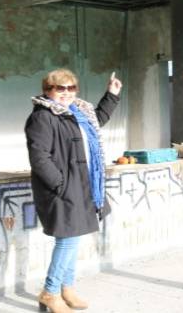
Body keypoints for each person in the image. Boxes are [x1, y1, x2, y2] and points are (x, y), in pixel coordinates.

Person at [26, 68, 123, 313]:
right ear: (47, 91)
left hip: (83, 184)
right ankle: (50, 292)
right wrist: (60, 184)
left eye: (71, 88)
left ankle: (66, 289)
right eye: (60, 88)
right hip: (62, 188)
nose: (66, 93)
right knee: (67, 239)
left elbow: (97, 120)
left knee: (74, 236)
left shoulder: (77, 112)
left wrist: (111, 94)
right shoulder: (43, 117)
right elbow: (39, 157)